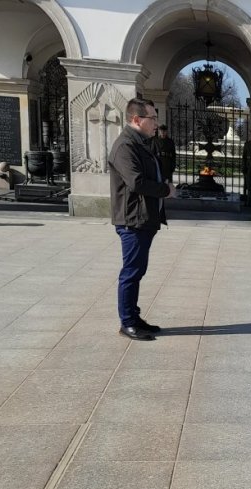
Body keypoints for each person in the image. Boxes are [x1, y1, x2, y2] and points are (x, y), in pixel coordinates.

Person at [109, 98, 176, 341]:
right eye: (153, 118)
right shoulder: (126, 146)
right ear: (137, 120)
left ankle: (134, 317)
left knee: (137, 270)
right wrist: (165, 190)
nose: (157, 123)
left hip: (144, 218)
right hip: (133, 219)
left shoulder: (142, 143)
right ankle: (127, 322)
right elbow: (136, 182)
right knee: (131, 271)